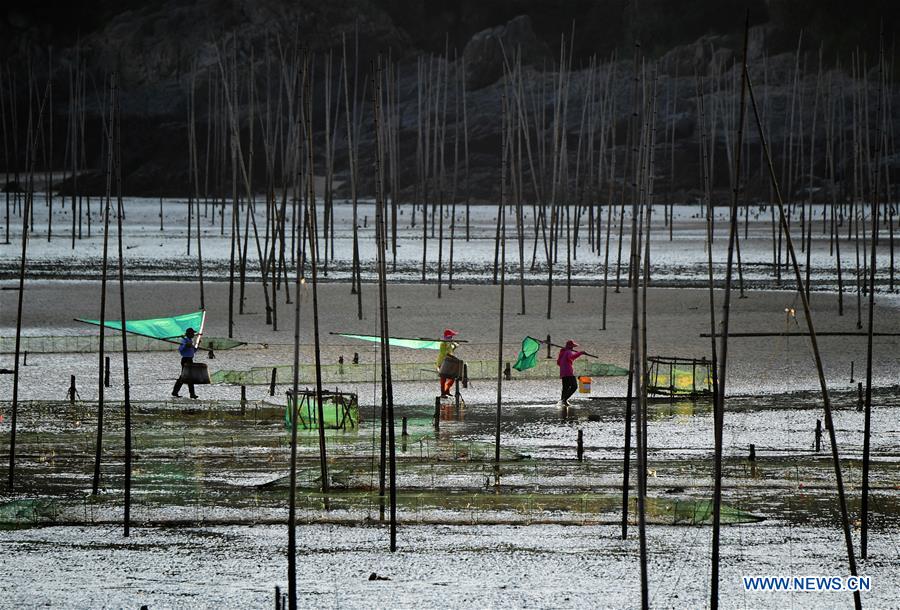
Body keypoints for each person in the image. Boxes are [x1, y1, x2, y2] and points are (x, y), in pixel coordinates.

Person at [556, 340, 585, 407]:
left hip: (563, 372)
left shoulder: (563, 352)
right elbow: (571, 357)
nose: (573, 348)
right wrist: (580, 353)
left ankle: (563, 401)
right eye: (572, 346)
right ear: (570, 347)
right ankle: (564, 400)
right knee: (574, 386)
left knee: (565, 388)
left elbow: (558, 363)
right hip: (568, 372)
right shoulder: (568, 352)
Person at [172, 327, 199, 399]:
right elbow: (180, 350)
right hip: (185, 360)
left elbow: (193, 351)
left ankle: (177, 392)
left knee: (187, 377)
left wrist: (197, 345)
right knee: (185, 377)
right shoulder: (184, 341)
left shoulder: (190, 341)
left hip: (190, 360)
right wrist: (186, 345)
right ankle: (190, 394)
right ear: (189, 334)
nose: (193, 334)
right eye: (192, 333)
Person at [436, 328, 459, 397]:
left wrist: (454, 345)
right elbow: (445, 353)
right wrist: (449, 345)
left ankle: (447, 390)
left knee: (452, 378)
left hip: (449, 362)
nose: (452, 338)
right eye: (450, 336)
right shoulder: (443, 344)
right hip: (442, 362)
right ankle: (443, 393)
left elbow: (452, 350)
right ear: (447, 337)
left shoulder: (449, 343)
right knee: (443, 379)